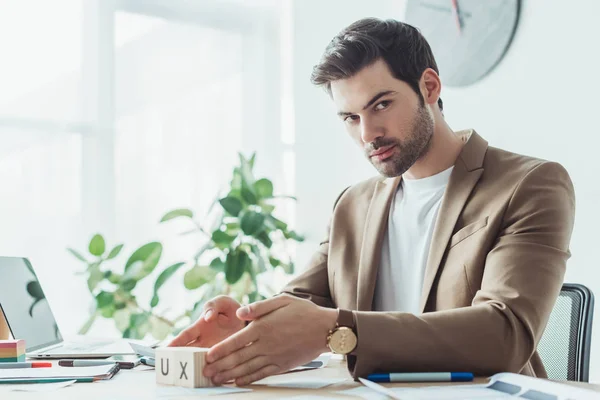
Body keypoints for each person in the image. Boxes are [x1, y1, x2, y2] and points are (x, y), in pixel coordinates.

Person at [168, 18, 575, 386]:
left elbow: (505, 334)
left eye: (381, 105)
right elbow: (304, 306)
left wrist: (339, 330)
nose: (368, 134)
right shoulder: (354, 204)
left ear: (429, 87)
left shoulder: (529, 184)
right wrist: (246, 331)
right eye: (350, 118)